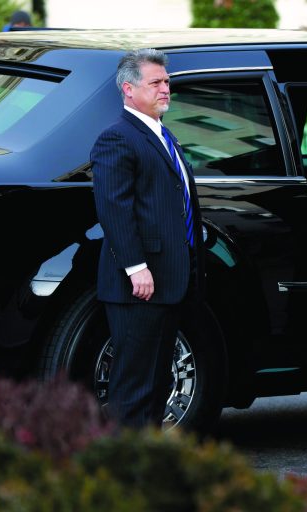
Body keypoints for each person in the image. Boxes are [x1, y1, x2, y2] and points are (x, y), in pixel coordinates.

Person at [91, 48, 204, 429]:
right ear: (128, 89)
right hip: (139, 284)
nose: (165, 89)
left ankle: (147, 469)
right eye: (155, 82)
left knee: (158, 384)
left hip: (170, 281)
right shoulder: (117, 138)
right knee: (133, 387)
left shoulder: (163, 134)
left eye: (167, 81)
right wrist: (136, 266)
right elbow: (114, 208)